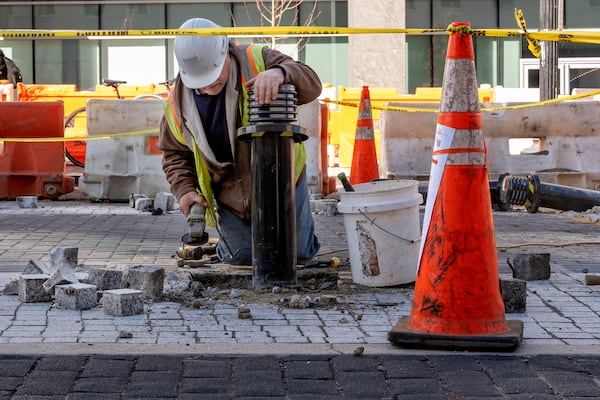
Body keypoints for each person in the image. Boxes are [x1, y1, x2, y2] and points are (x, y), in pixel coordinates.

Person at [159, 17, 321, 265]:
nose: (211, 84)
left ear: (227, 51)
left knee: (295, 254)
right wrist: (185, 191)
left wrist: (280, 73)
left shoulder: (257, 60)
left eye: (215, 75)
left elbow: (312, 83)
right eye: (203, 82)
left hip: (281, 177)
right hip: (230, 192)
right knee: (242, 257)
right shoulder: (177, 105)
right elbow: (174, 154)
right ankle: (232, 243)